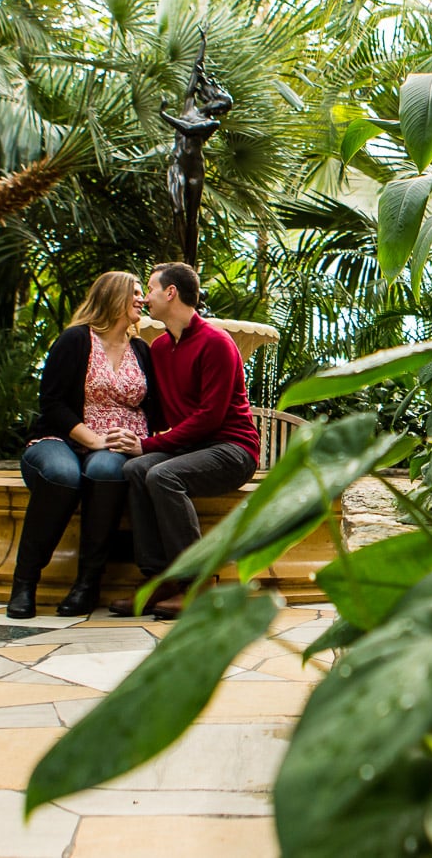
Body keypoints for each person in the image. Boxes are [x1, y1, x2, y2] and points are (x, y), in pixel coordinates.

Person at [8, 271, 164, 619]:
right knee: (63, 475)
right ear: (113, 297)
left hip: (117, 446)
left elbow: (154, 406)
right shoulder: (75, 340)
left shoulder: (142, 349)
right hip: (63, 437)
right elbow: (52, 403)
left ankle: (86, 584)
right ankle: (25, 582)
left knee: (107, 471)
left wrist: (142, 441)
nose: (142, 299)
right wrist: (92, 438)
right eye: (135, 293)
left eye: (143, 293)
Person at [114, 261, 259, 619]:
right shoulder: (161, 348)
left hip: (232, 448)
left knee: (163, 475)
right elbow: (163, 413)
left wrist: (148, 445)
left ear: (171, 292)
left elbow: (210, 417)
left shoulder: (218, 343)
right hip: (192, 448)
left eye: (149, 289)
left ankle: (196, 583)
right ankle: (160, 578)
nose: (145, 298)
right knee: (135, 470)